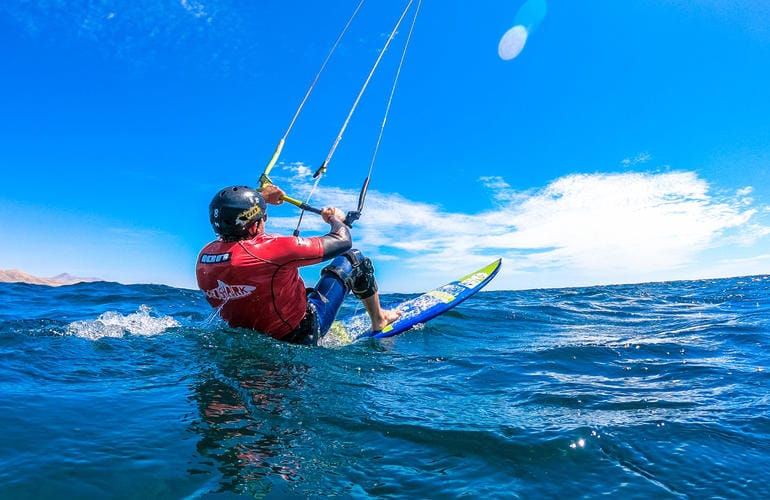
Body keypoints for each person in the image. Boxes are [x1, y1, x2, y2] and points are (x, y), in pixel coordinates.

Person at [196, 184, 400, 345]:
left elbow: (236, 224)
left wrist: (262, 199)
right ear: (255, 222)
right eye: (262, 216)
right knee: (354, 259)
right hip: (301, 334)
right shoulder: (271, 250)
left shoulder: (205, 256)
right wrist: (334, 219)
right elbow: (342, 241)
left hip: (251, 334)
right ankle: (379, 318)